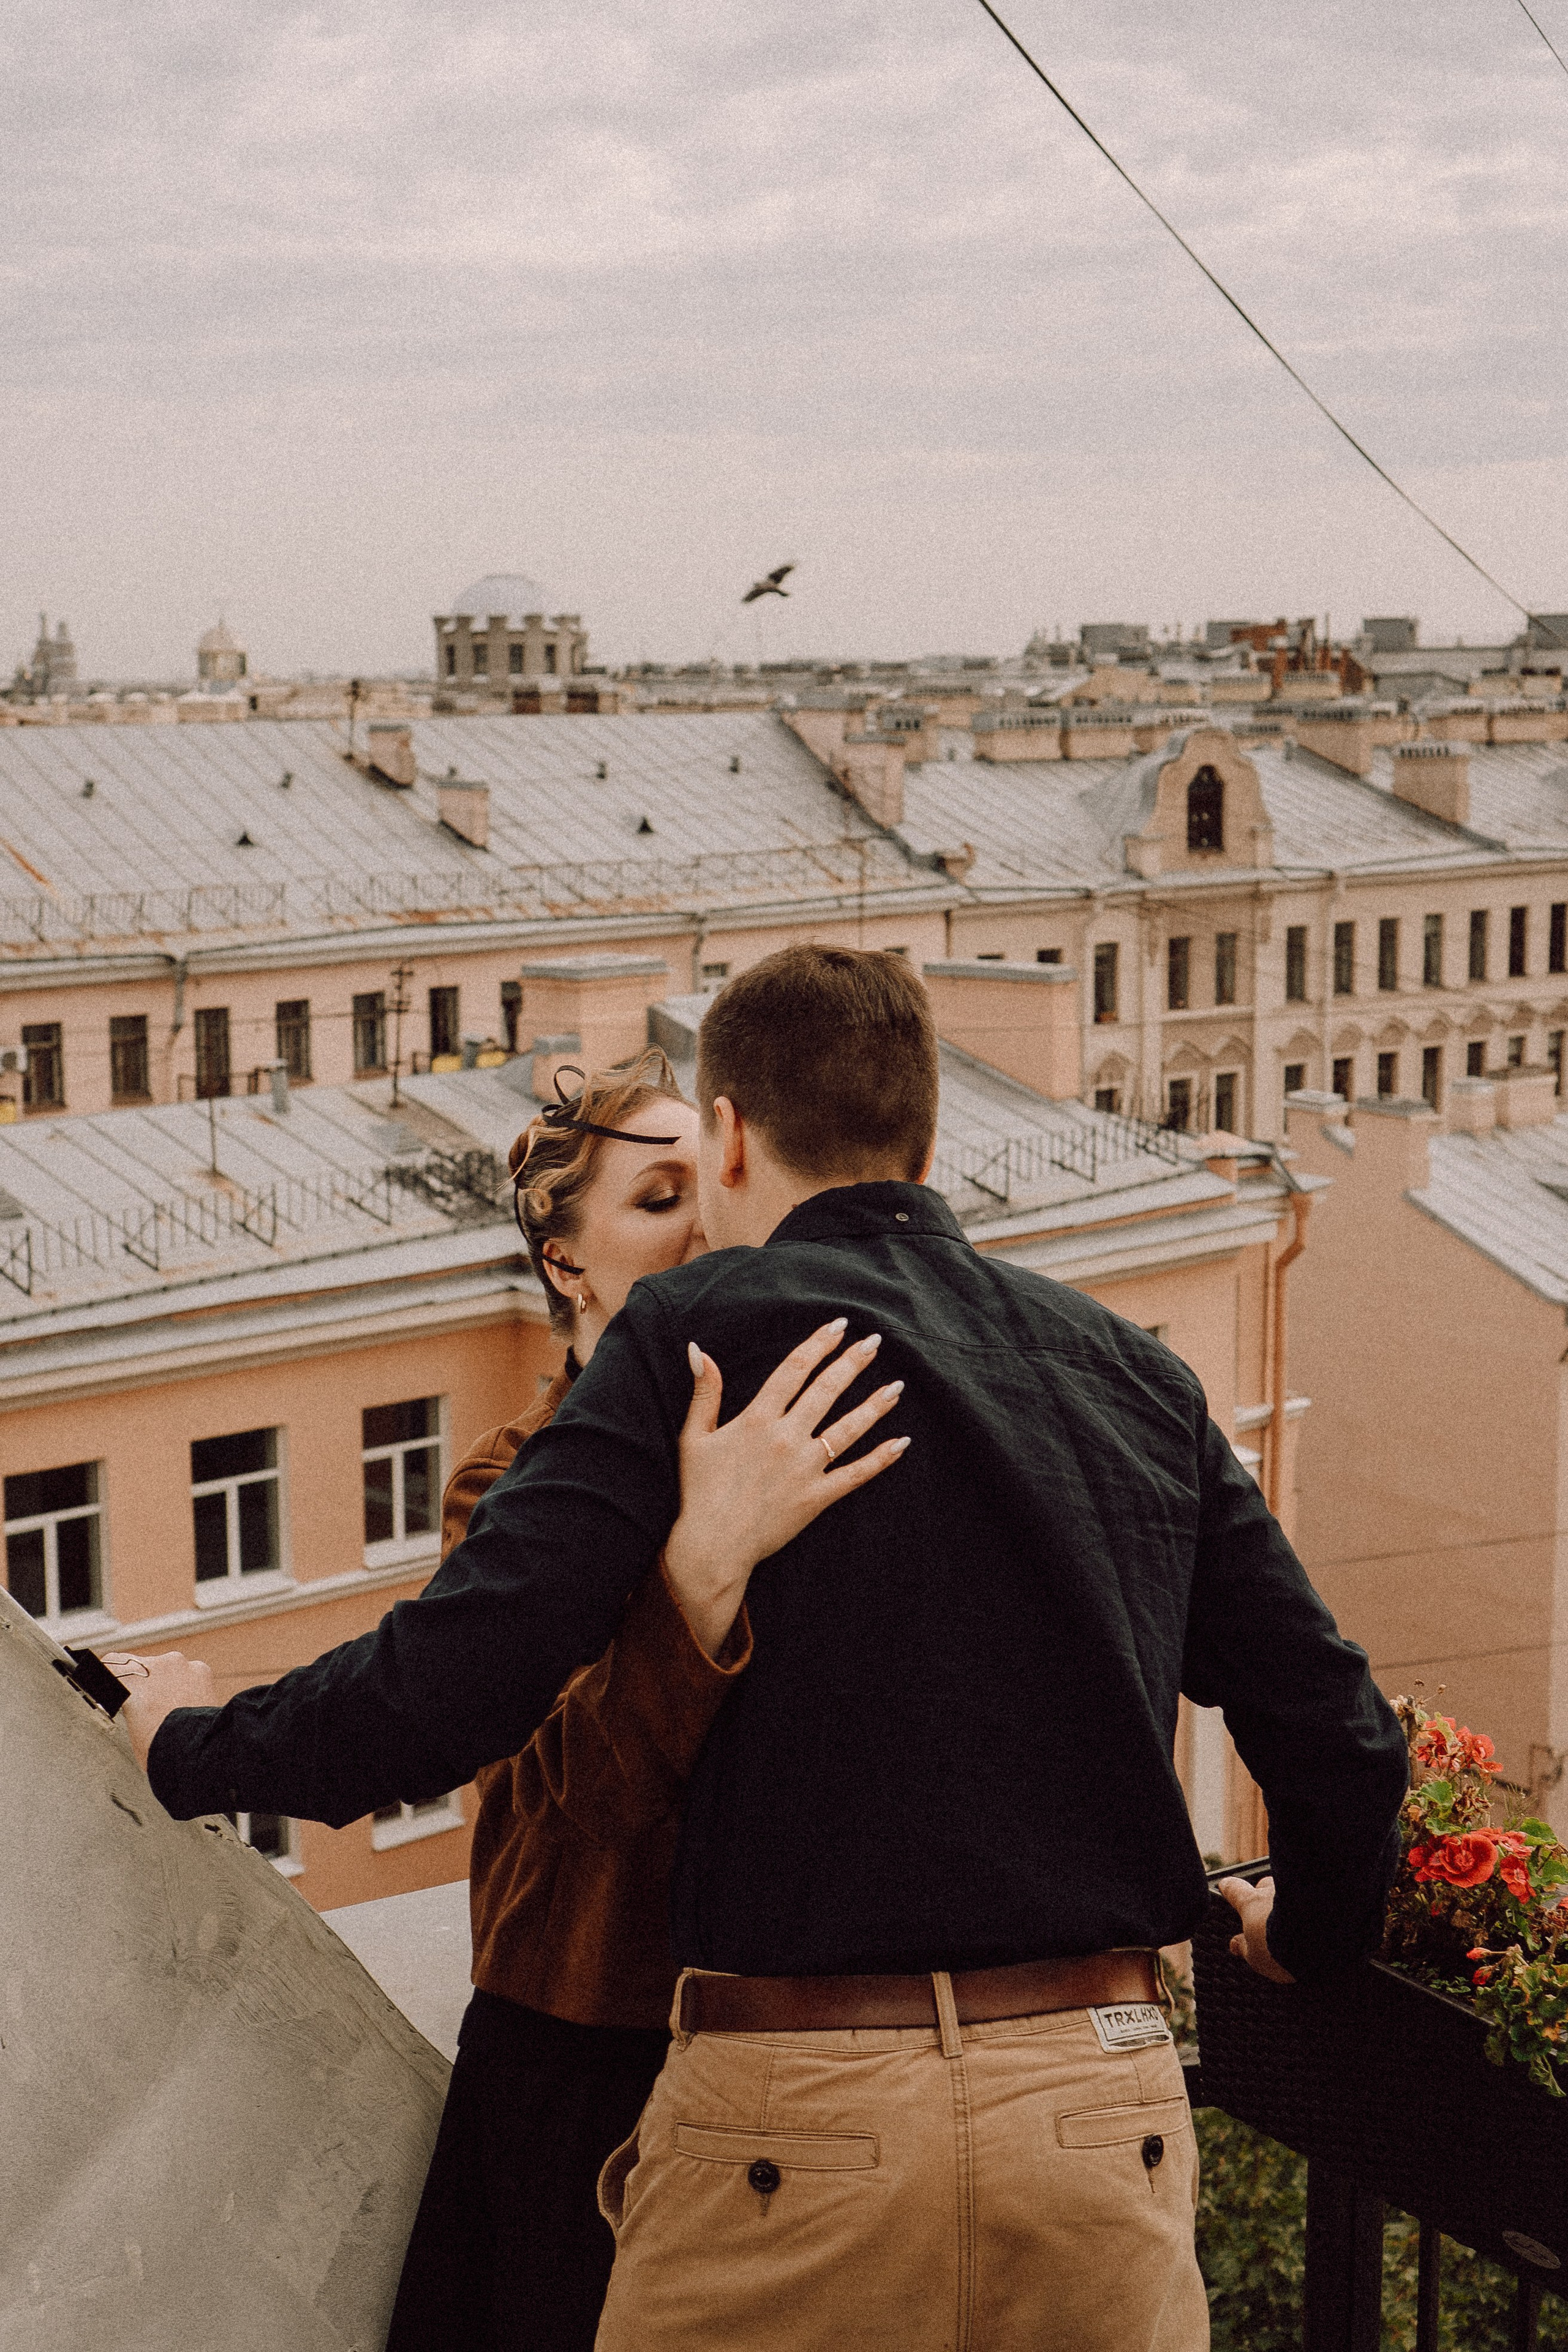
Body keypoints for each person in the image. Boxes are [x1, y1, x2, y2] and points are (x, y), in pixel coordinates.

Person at [123, 944, 1408, 2352]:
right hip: (1098, 2109)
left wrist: (188, 1747)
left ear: (731, 1130)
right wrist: (1311, 1931)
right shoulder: (1126, 1369)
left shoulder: (696, 1333)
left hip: (800, 2124)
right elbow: (1333, 1730)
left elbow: (446, 1689)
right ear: (925, 1133)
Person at [376, 1051, 907, 2351]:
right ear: (567, 1264)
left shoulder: (807, 1427)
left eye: (709, 1184)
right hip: (588, 2030)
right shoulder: (511, 1482)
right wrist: (698, 1563)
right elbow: (587, 1791)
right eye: (655, 1197)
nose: (703, 1222)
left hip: (800, 2039)